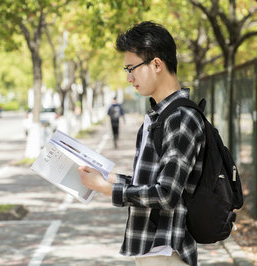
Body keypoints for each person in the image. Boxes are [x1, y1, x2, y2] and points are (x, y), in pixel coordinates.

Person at [78, 21, 206, 266]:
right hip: (153, 251)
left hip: (166, 252)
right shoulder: (160, 116)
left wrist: (106, 189)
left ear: (156, 64)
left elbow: (166, 194)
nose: (128, 78)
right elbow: (154, 184)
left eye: (131, 68)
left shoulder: (180, 118)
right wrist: (109, 178)